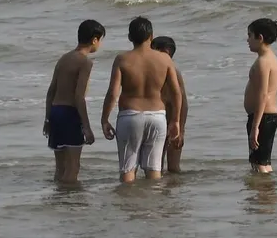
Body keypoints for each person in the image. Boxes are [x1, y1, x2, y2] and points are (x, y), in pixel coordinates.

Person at [101, 17, 182, 183]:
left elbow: (113, 93)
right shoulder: (164, 59)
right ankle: (152, 208)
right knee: (154, 171)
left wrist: (104, 119)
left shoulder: (122, 59)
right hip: (157, 116)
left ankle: (129, 207)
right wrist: (176, 120)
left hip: (130, 116)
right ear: (151, 37)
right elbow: (176, 93)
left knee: (128, 170)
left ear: (130, 37)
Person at [43, 19, 105, 184]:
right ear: (94, 40)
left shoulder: (64, 58)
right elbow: (79, 96)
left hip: (55, 112)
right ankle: (70, 204)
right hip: (69, 114)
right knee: (73, 167)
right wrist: (87, 127)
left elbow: (51, 92)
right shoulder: (85, 62)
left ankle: (60, 198)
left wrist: (47, 119)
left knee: (60, 167)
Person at [245, 18, 277, 174]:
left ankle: (264, 195)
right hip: (267, 116)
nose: (247, 40)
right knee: (263, 161)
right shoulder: (271, 58)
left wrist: (255, 127)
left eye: (250, 35)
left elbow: (262, 95)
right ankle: (265, 194)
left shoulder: (263, 62)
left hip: (263, 117)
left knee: (259, 164)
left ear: (260, 38)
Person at [151, 36, 188, 173]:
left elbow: (183, 103)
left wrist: (181, 130)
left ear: (165, 52)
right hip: (159, 123)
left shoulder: (174, 72)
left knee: (173, 167)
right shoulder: (154, 71)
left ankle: (172, 192)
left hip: (173, 124)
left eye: (153, 50)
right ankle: (161, 192)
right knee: (156, 166)